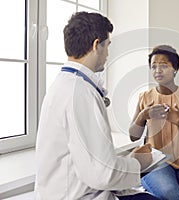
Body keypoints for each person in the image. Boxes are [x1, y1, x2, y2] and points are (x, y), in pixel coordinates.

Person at [34, 11, 159, 200]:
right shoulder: (80, 93)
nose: (108, 53)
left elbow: (92, 161)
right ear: (96, 45)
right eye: (107, 45)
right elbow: (102, 173)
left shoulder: (65, 85)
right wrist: (139, 163)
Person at [129, 45, 179, 200]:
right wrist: (143, 115)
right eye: (153, 66)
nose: (157, 70)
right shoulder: (145, 97)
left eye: (163, 65)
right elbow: (133, 136)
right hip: (156, 161)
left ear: (175, 69)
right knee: (171, 194)